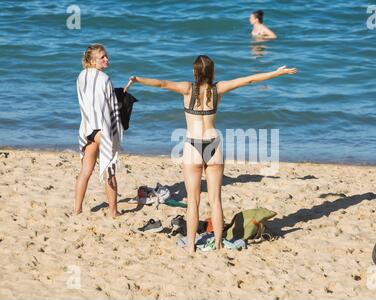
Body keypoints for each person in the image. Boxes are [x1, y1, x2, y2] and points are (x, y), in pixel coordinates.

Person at [124, 55, 296, 253]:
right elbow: (249, 80)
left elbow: (162, 84)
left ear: (195, 72)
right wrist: (276, 72)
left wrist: (138, 79)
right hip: (214, 145)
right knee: (216, 200)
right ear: (212, 72)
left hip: (193, 146)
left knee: (193, 201)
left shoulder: (187, 89)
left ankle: (190, 245)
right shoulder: (218, 89)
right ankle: (219, 243)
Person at [74, 44, 123, 217]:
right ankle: (113, 211)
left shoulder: (80, 77)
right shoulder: (105, 79)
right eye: (102, 57)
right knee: (109, 169)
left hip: (87, 129)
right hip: (102, 130)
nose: (106, 59)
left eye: (106, 56)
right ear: (93, 61)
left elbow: (92, 102)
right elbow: (111, 107)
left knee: (85, 171)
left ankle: (77, 210)